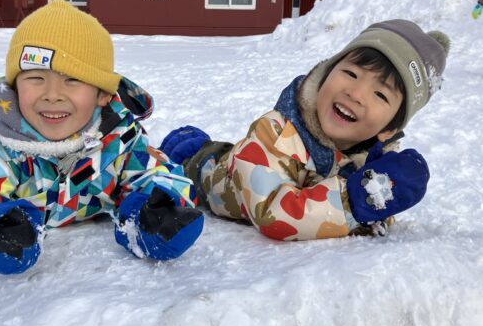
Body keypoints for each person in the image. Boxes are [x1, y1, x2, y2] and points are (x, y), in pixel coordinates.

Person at [0, 0, 204, 274]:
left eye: (72, 79)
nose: (52, 94)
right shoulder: (0, 146)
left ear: (102, 94)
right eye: (36, 78)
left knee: (165, 168)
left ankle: (186, 145)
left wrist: (159, 209)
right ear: (14, 88)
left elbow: (159, 173)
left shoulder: (119, 139)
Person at [162, 20, 449, 240]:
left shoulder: (373, 157)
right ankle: (191, 149)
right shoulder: (276, 131)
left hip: (252, 163)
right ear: (324, 74)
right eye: (351, 73)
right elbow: (272, 212)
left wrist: (382, 198)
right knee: (195, 160)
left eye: (380, 95)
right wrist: (353, 203)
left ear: (389, 129)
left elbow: (370, 218)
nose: (356, 93)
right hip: (219, 175)